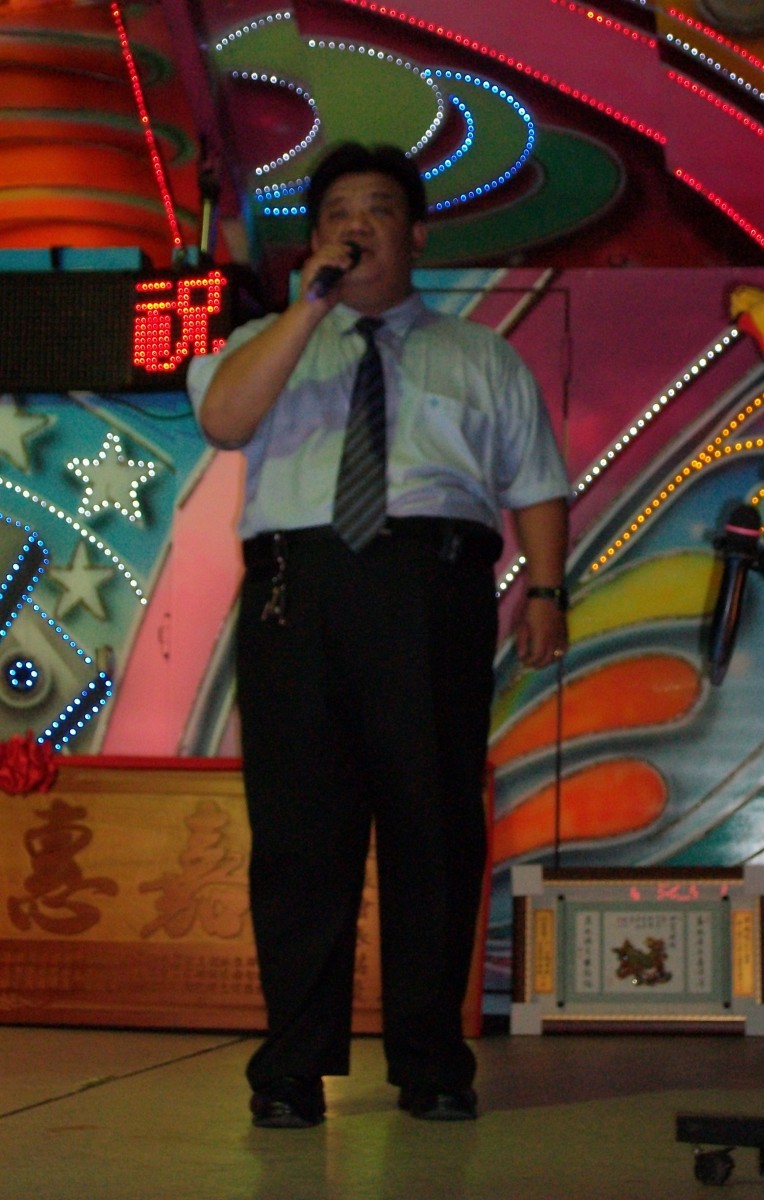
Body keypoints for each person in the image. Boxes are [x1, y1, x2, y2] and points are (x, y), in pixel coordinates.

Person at [187, 142, 569, 1127]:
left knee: (432, 829)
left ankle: (431, 1063)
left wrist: (546, 591)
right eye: (339, 213)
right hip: (297, 595)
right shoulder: (267, 341)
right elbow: (225, 420)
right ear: (317, 238)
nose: (359, 225)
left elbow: (536, 482)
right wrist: (309, 306)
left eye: (380, 209)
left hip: (430, 590)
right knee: (300, 838)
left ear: (417, 234)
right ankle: (290, 1069)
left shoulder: (480, 355)